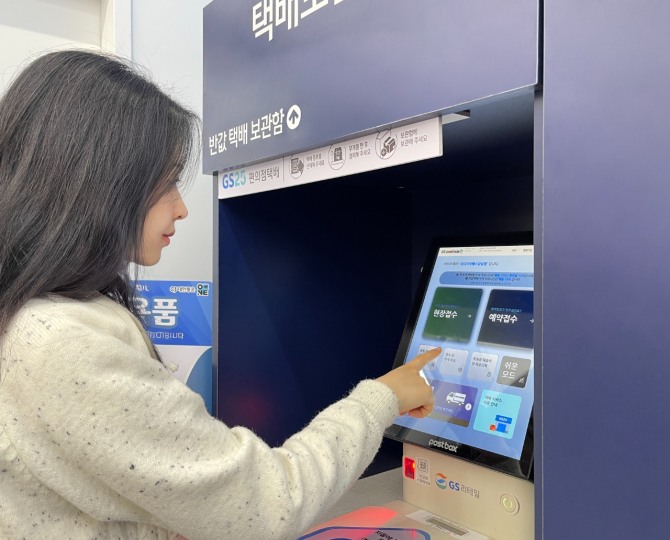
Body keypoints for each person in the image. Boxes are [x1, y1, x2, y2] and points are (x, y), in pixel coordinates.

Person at [0, 50, 438, 540]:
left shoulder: (34, 317)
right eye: (166, 182)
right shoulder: (62, 343)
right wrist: (382, 397)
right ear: (100, 183)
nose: (182, 208)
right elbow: (268, 504)